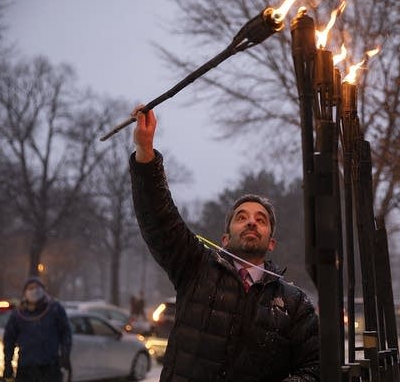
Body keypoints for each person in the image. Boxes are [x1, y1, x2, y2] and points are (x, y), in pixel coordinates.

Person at [129, 105, 319, 381]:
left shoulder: (294, 303)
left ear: (272, 243)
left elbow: (314, 368)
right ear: (225, 238)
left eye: (261, 220)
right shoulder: (195, 268)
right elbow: (160, 220)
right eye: (242, 217)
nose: (252, 222)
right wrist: (145, 155)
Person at [3, 276, 72, 382]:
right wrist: (8, 364)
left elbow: (66, 333)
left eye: (37, 287)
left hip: (50, 367)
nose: (34, 291)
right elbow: (9, 340)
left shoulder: (55, 309)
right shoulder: (18, 314)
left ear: (43, 290)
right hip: (26, 368)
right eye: (30, 288)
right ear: (25, 292)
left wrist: (65, 354)